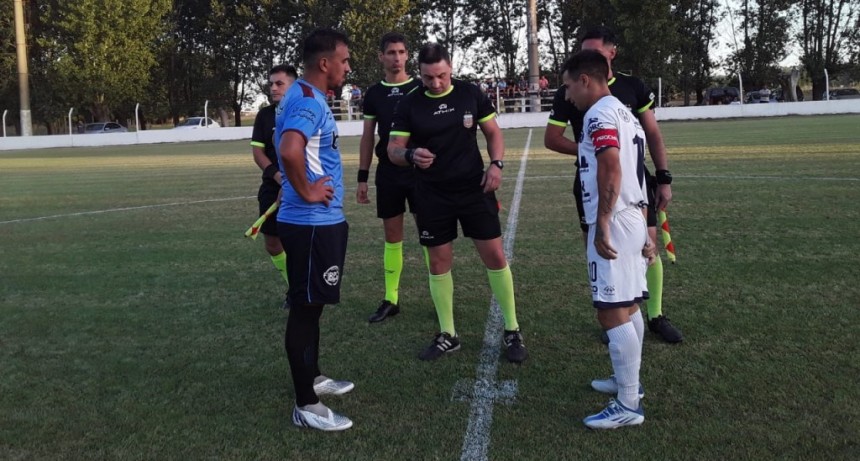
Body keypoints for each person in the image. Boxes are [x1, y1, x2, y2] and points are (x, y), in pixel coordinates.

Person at [388, 43, 527, 363]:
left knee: (494, 255)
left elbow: (493, 132)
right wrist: (410, 155)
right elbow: (394, 148)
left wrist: (497, 164)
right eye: (427, 77)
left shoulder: (470, 93)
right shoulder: (410, 104)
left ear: (451, 68)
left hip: (474, 189)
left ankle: (512, 329)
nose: (435, 83)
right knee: (438, 262)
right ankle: (448, 334)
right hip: (431, 194)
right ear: (419, 73)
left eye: (441, 76)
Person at [543, 25, 682, 343]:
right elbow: (553, 138)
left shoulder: (628, 91)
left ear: (611, 53)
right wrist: (588, 149)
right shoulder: (574, 90)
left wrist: (663, 178)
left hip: (632, 184)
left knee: (646, 249)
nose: (586, 57)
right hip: (594, 184)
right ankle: (617, 316)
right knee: (602, 250)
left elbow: (652, 136)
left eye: (593, 51)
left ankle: (653, 314)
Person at [562, 49, 654, 429]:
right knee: (629, 304)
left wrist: (602, 223)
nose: (567, 95)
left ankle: (629, 402)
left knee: (610, 309)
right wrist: (646, 224)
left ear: (586, 79)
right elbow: (639, 172)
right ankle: (627, 381)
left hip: (615, 219)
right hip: (633, 214)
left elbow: (612, 167)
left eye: (568, 86)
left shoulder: (598, 113)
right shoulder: (625, 113)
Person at [274, 28, 354, 432]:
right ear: (325, 63)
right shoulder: (307, 101)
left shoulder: (304, 96)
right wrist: (306, 189)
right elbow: (290, 149)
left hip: (317, 223)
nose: (347, 67)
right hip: (310, 224)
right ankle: (306, 405)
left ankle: (314, 377)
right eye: (344, 60)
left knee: (313, 304)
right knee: (305, 310)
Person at [357, 32, 423, 323]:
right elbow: (367, 138)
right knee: (392, 238)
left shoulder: (421, 87)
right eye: (391, 53)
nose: (397, 58)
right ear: (381, 57)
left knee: (431, 236)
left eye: (401, 52)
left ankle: (440, 296)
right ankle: (391, 298)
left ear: (408, 55)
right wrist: (362, 177)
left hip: (421, 172)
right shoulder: (373, 94)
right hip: (388, 173)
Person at [250, 64, 297, 309]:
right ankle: (295, 287)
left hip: (301, 186)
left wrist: (293, 182)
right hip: (273, 185)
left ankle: (303, 288)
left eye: (280, 83)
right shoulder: (265, 115)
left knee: (298, 240)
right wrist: (279, 179)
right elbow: (258, 153)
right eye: (271, 84)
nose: (273, 88)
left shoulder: (303, 112)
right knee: (272, 243)